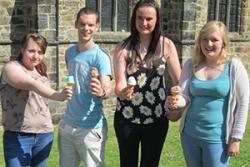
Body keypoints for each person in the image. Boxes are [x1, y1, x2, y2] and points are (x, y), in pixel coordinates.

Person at [167, 21, 249, 167]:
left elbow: (243, 103)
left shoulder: (234, 66)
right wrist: (175, 101)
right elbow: (184, 96)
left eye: (214, 40)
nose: (208, 44)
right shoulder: (191, 64)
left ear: (223, 42)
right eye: (204, 39)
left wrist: (236, 139)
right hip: (189, 135)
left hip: (217, 139)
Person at [113, 0, 181, 166]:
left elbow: (180, 81)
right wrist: (123, 92)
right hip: (127, 119)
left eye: (149, 18)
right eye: (139, 18)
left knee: (150, 164)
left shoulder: (166, 46)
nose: (144, 23)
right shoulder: (123, 47)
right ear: (134, 19)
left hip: (156, 120)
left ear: (157, 20)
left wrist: (177, 105)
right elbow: (120, 83)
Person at [0, 33, 71, 167]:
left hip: (44, 134)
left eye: (40, 52)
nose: (36, 56)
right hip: (18, 135)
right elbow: (31, 84)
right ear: (22, 50)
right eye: (31, 51)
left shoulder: (40, 71)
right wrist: (58, 95)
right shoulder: (11, 68)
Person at [58, 7, 112, 167]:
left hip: (90, 129)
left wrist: (102, 91)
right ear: (76, 24)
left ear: (97, 27)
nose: (86, 29)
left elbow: (107, 87)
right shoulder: (70, 52)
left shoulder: (101, 57)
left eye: (90, 25)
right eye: (82, 24)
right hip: (67, 126)